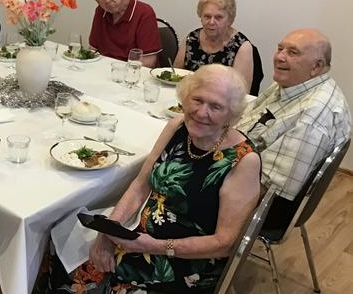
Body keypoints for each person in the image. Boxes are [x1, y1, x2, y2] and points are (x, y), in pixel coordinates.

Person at [46, 65, 260, 293]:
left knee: (89, 280)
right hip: (139, 233)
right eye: (197, 100)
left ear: (232, 115)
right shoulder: (177, 126)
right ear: (185, 97)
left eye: (215, 106)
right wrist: (109, 233)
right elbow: (140, 184)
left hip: (186, 260)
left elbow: (224, 243)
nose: (201, 112)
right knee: (61, 250)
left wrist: (157, 246)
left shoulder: (243, 161)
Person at [236, 29, 351, 228]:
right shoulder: (293, 82)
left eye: (293, 52)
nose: (280, 57)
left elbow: (270, 188)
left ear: (316, 66)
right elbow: (248, 118)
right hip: (242, 161)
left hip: (259, 204)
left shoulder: (313, 116)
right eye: (280, 48)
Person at [173, 0, 262, 94]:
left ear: (230, 19)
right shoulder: (192, 38)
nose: (211, 22)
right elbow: (175, 75)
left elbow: (241, 94)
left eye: (218, 17)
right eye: (207, 16)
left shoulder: (242, 47)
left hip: (223, 106)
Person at [89, 0, 161, 67]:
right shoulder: (100, 11)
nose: (107, 0)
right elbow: (93, 49)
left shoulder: (144, 13)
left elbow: (149, 61)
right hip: (105, 71)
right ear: (96, 0)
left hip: (133, 74)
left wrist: (119, 71)